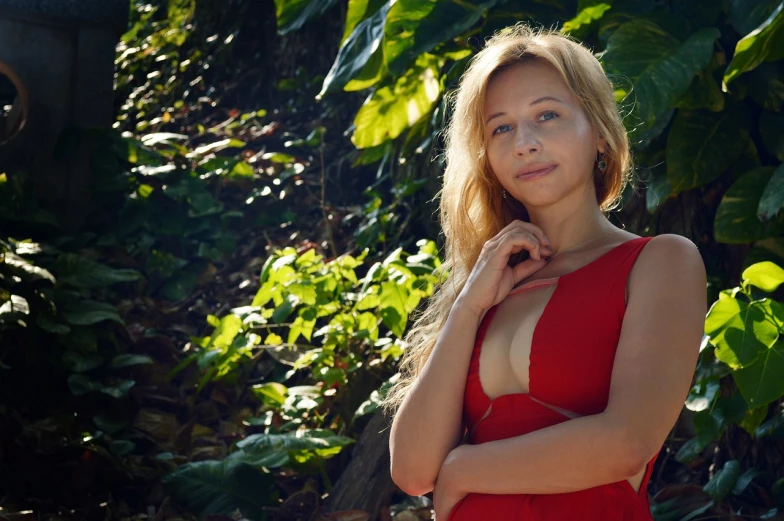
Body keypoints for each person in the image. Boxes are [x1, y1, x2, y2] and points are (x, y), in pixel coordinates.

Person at [382, 24, 707, 520]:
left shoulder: (661, 262)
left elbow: (625, 443)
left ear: (599, 134)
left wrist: (465, 469)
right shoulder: (486, 287)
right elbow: (412, 470)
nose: (524, 144)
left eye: (547, 115)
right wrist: (469, 304)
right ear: (488, 157)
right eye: (501, 128)